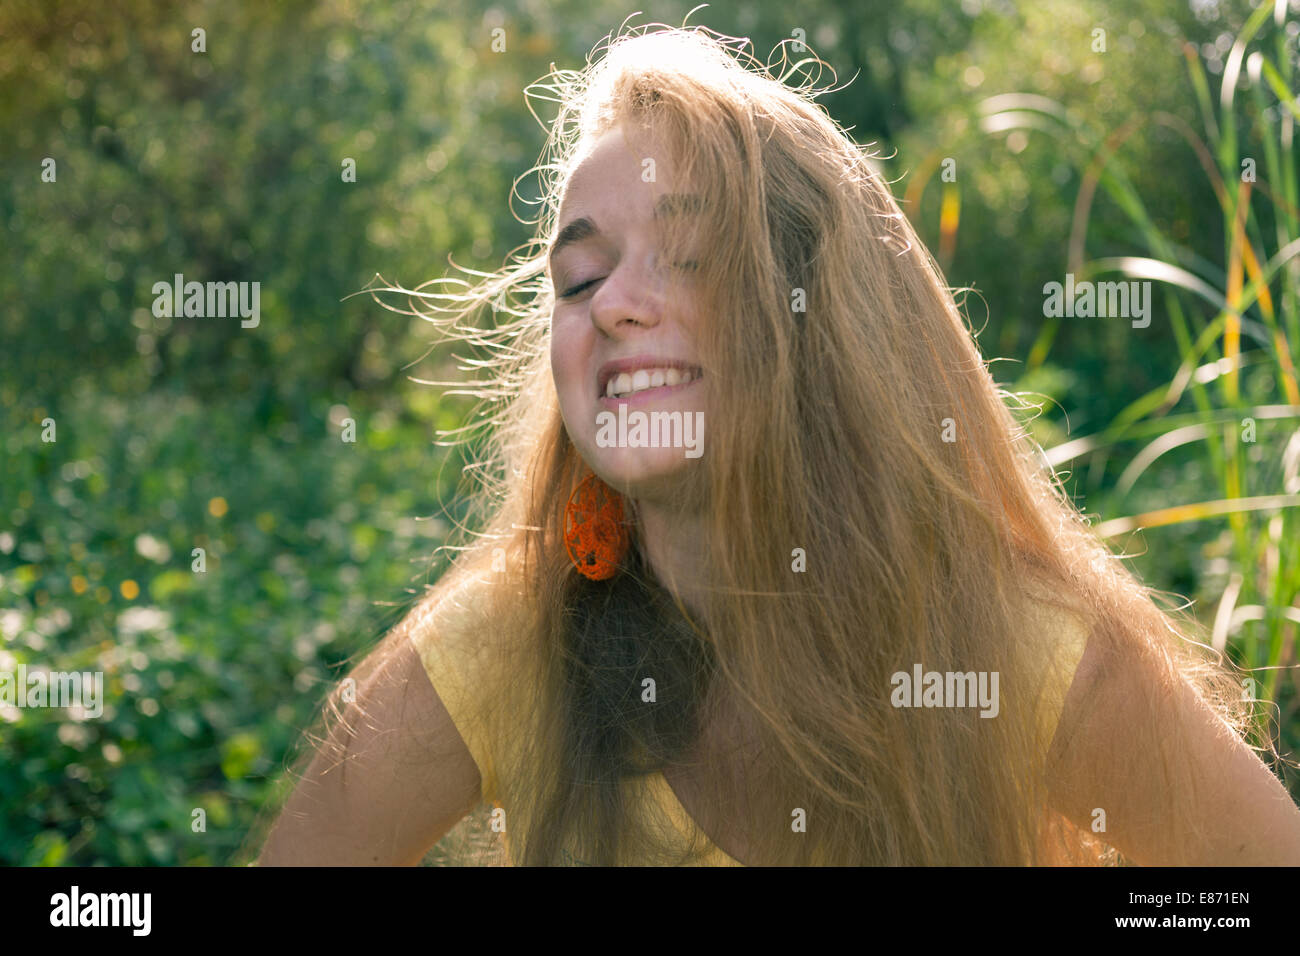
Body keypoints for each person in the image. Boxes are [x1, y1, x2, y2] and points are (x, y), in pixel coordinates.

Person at [253, 24, 1300, 866]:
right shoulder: (510, 642)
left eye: (689, 253)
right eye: (577, 279)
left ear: (819, 317)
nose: (612, 303)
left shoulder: (1009, 646)